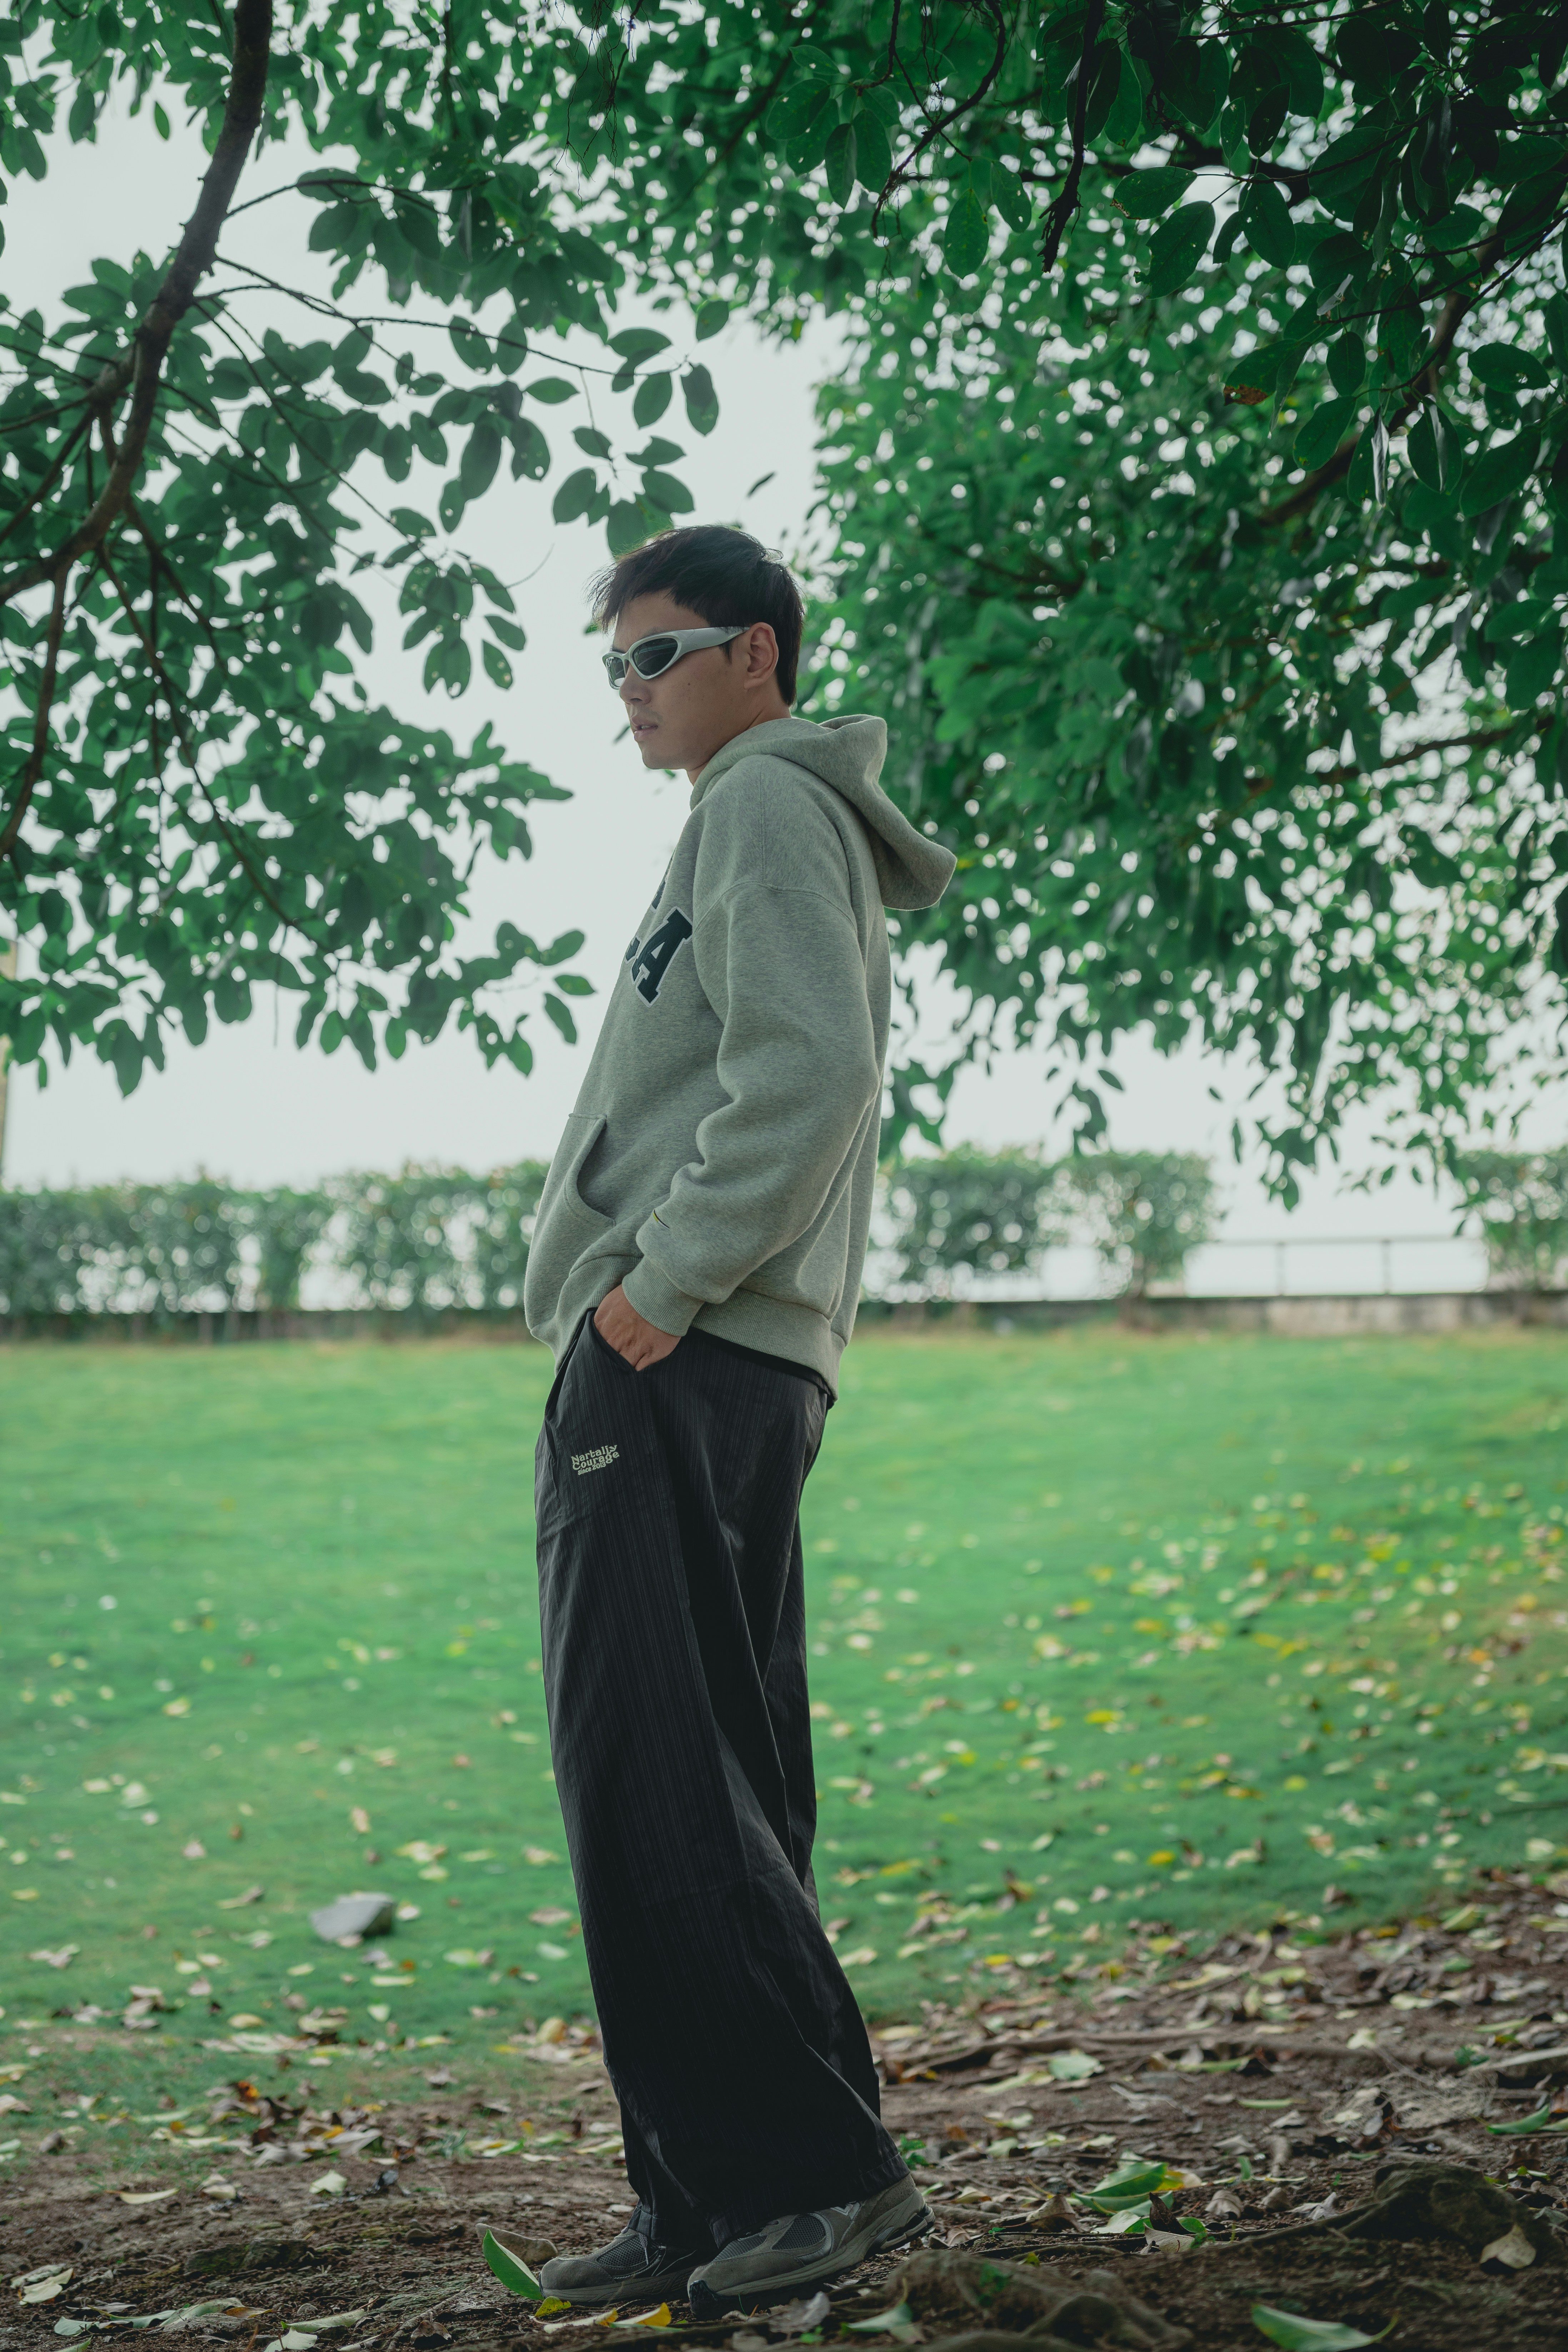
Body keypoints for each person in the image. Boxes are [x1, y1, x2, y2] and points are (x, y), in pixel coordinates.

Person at [522, 524, 955, 2316]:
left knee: (658, 1778)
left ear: (755, 654)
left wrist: (651, 1290)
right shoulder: (753, 809)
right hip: (721, 1361)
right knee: (717, 1773)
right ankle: (712, 2192)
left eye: (656, 653)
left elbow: (812, 1067)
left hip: (680, 1355)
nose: (627, 691)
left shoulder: (764, 804)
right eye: (612, 662)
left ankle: (816, 2180)